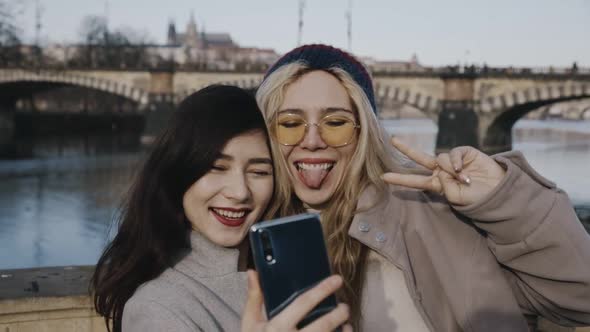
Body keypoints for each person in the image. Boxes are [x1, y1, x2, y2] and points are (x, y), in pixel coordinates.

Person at [255, 44, 590, 331]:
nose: (312, 141)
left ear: (365, 132)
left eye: (336, 122)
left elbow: (582, 298)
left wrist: (504, 200)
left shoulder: (442, 213)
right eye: (289, 124)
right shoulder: (244, 234)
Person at [91, 85, 351, 332]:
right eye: (217, 167)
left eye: (259, 171)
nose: (239, 192)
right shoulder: (157, 307)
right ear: (178, 173)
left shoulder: (289, 280)